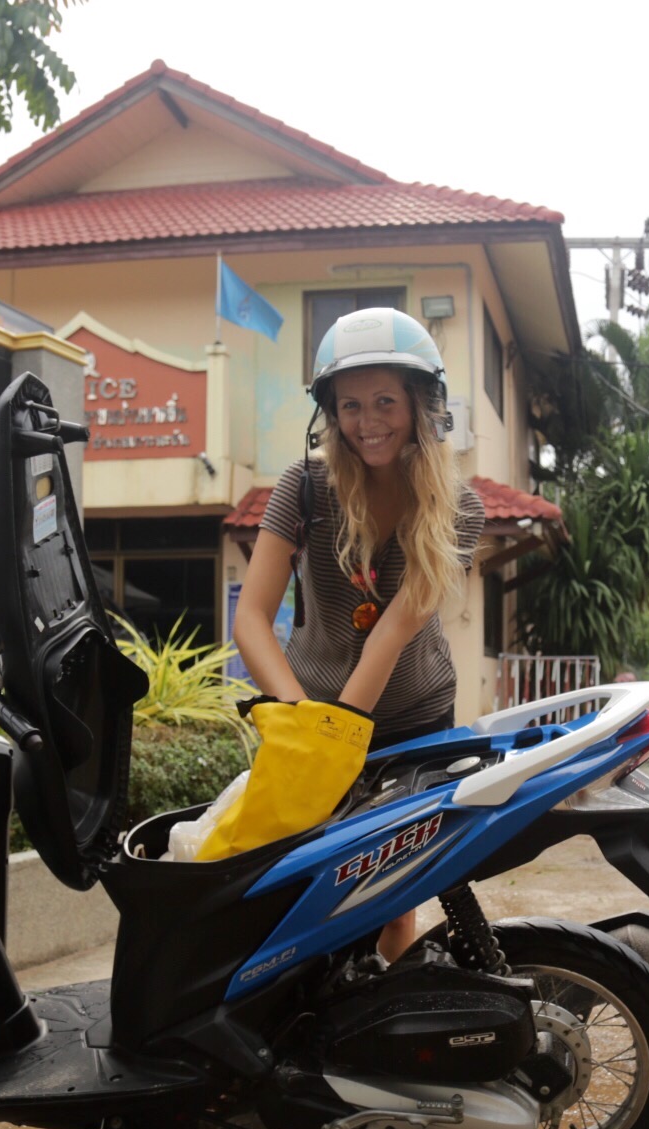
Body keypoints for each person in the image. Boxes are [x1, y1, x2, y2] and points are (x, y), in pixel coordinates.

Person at [233, 307, 485, 961]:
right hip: (309, 712)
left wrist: (338, 739)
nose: (368, 422)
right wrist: (301, 725)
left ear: (419, 404)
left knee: (390, 898)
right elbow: (252, 617)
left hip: (411, 719)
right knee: (300, 890)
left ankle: (387, 1039)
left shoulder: (460, 507)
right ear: (330, 413)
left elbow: (398, 626)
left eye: (384, 402)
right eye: (350, 405)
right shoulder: (305, 487)